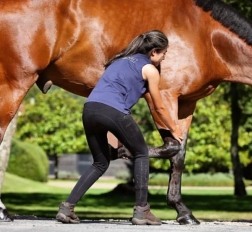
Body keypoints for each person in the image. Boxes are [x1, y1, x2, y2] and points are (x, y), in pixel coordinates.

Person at [55, 30, 183, 225]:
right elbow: (158, 106)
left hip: (90, 110)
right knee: (141, 153)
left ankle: (67, 207)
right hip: (113, 111)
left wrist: (117, 138)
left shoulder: (120, 61)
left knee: (100, 163)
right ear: (154, 52)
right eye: (164, 53)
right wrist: (174, 128)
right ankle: (142, 211)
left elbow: (107, 97)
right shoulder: (150, 70)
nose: (164, 58)